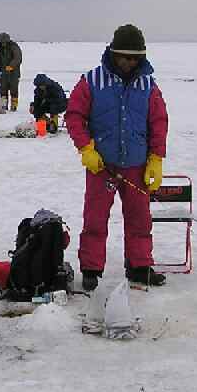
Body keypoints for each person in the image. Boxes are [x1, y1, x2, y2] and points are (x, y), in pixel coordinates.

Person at [64, 24, 169, 290]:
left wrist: (156, 158)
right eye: (124, 57)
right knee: (95, 218)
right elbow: (74, 115)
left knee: (140, 219)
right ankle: (91, 268)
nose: (129, 63)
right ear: (113, 53)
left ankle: (139, 266)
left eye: (134, 58)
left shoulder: (148, 85)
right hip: (102, 166)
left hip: (137, 165)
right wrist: (86, 149)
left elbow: (158, 122)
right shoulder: (92, 81)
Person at [0, 32, 23, 112]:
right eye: (2, 42)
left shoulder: (14, 47)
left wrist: (11, 66)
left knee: (13, 89)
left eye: (4, 42)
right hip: (3, 73)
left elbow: (18, 58)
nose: (3, 44)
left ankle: (14, 106)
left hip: (14, 73)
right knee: (3, 89)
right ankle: (3, 107)